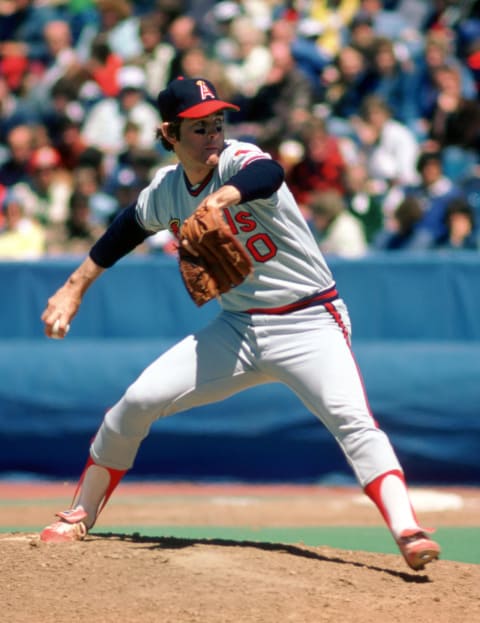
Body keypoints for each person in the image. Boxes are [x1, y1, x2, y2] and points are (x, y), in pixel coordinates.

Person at [39, 76, 440, 572]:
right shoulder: (165, 191)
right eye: (198, 126)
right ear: (169, 134)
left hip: (310, 320)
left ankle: (407, 528)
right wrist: (74, 287)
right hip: (239, 328)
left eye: (217, 122)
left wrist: (222, 198)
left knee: (351, 419)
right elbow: (124, 230)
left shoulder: (237, 160)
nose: (212, 133)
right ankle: (81, 512)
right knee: (137, 402)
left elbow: (268, 173)